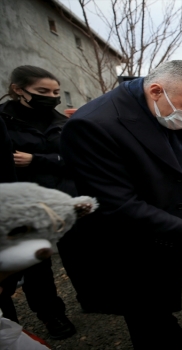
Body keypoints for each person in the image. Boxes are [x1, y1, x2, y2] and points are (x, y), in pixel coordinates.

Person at [57, 60, 182, 349]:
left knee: (159, 293)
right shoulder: (94, 125)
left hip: (157, 225)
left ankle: (171, 332)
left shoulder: (165, 108)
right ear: (155, 90)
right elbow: (117, 203)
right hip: (125, 237)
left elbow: (165, 164)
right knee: (140, 301)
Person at [0, 65, 76, 340]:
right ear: (18, 90)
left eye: (56, 92)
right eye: (42, 91)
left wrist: (37, 160)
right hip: (27, 207)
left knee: (77, 256)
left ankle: (90, 297)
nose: (52, 96)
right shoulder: (5, 122)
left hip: (65, 201)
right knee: (37, 268)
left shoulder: (63, 122)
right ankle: (52, 314)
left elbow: (77, 161)